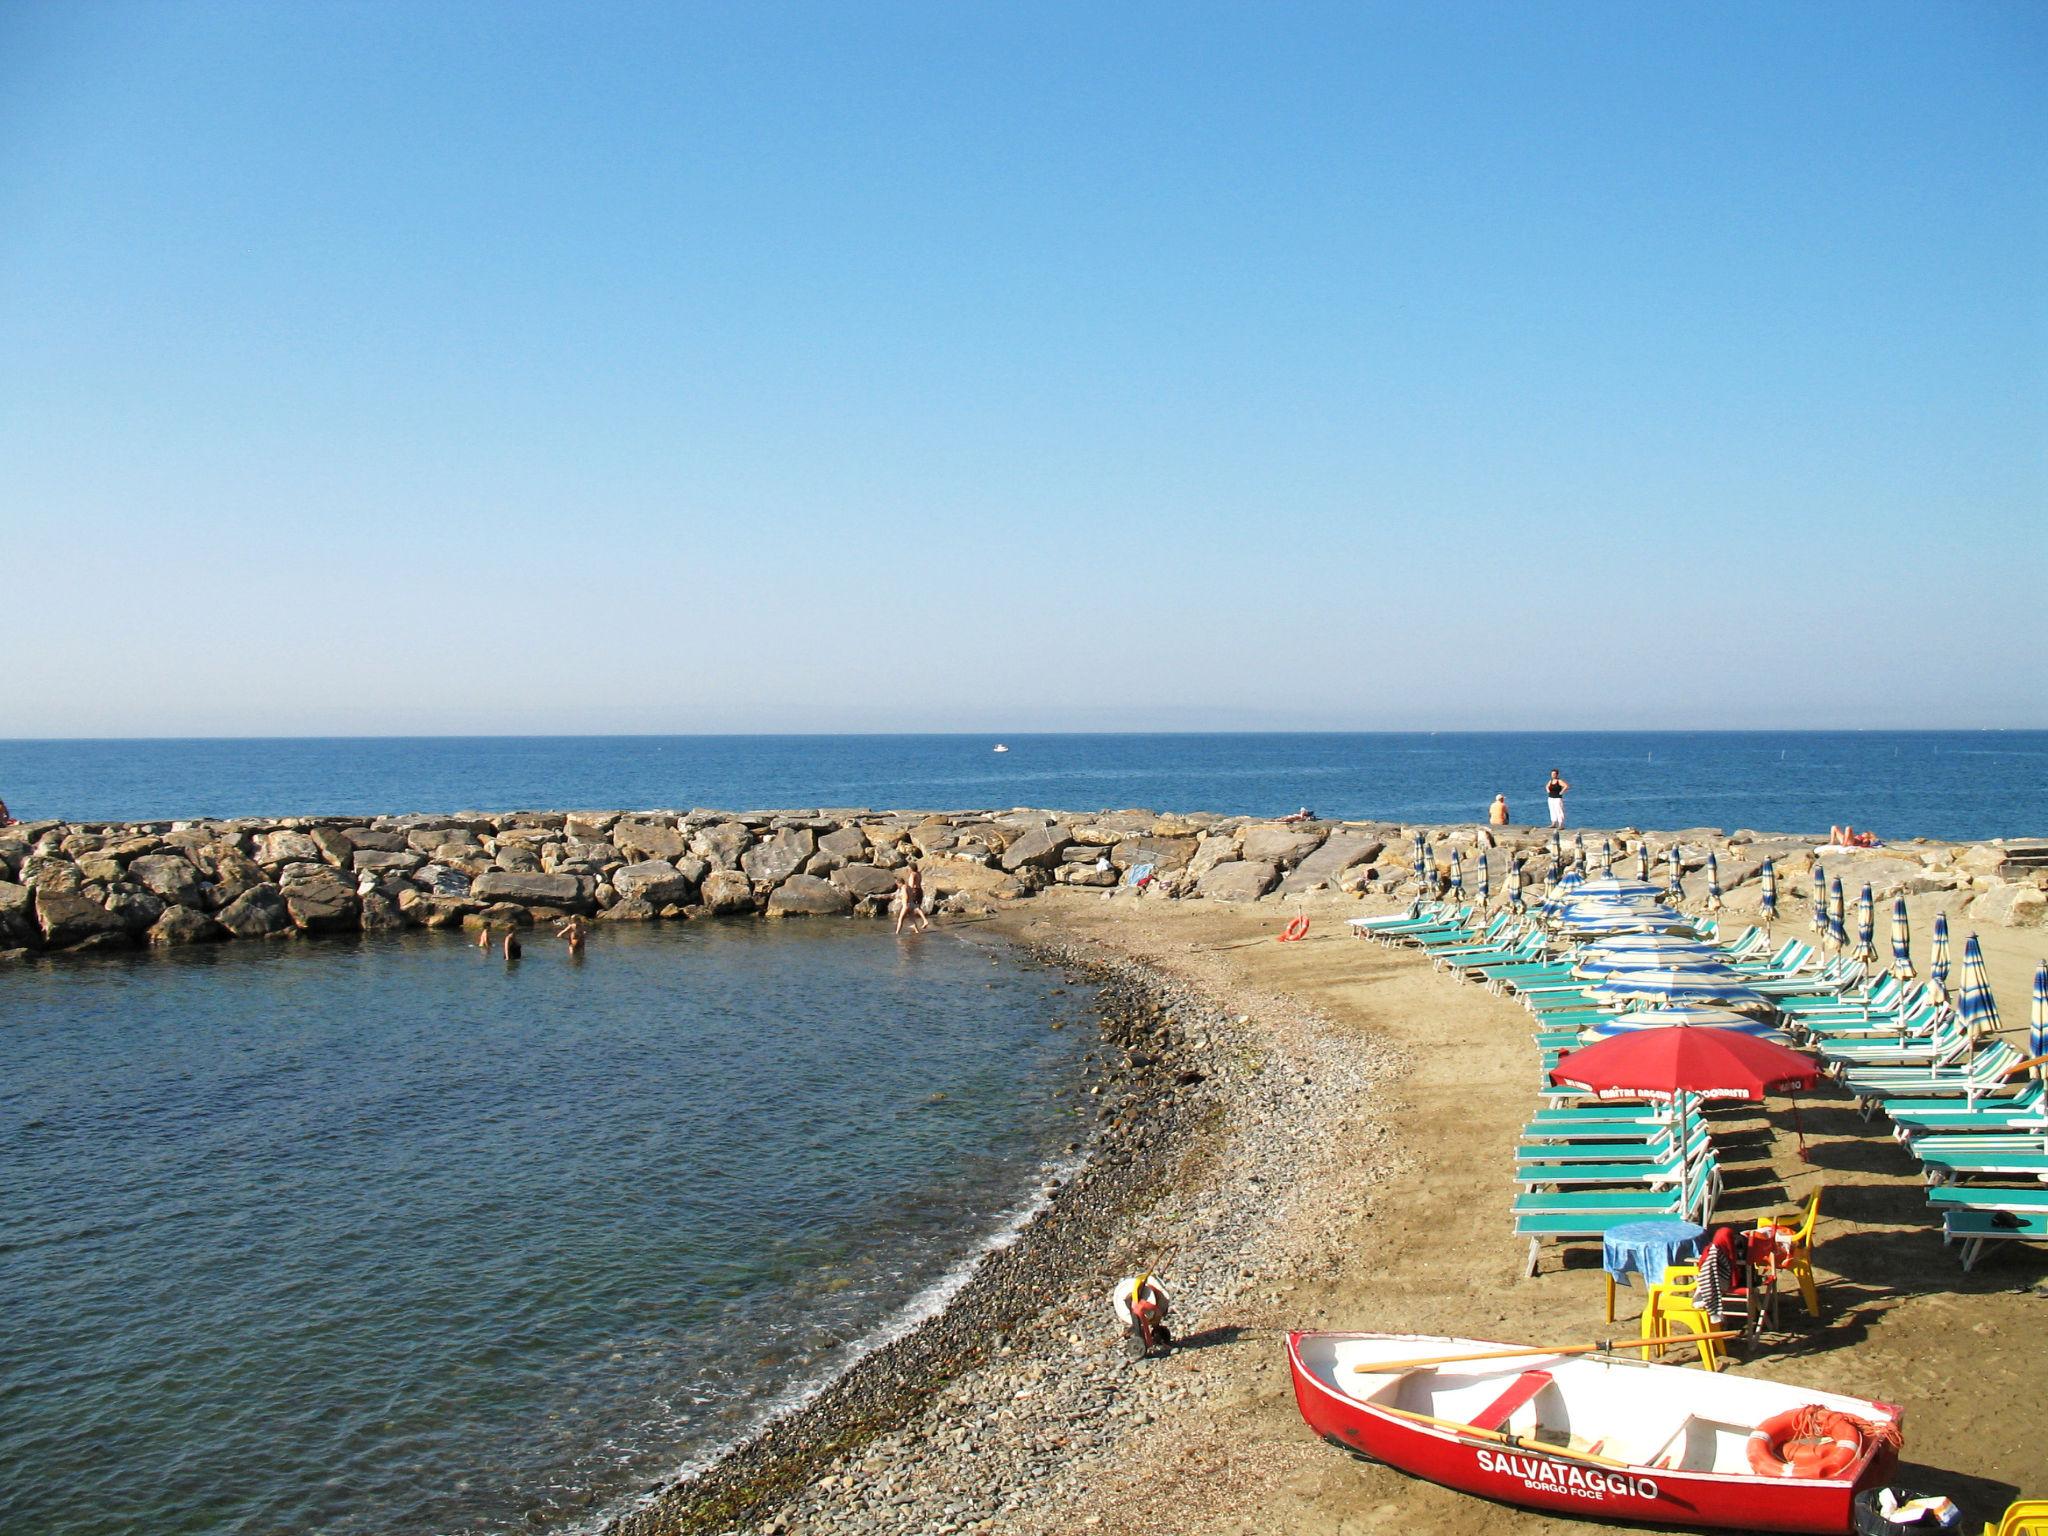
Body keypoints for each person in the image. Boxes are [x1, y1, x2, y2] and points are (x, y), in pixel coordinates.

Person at [1109, 1272, 1173, 1359]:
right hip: (1139, 1304)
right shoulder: (1135, 1301)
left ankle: (1152, 1334)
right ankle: (1144, 1337)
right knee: (1139, 1311)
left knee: (1143, 1311)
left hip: (1141, 1303)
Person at [892, 864, 929, 935]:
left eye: (908, 868)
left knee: (902, 918)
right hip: (919, 890)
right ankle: (917, 930)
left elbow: (910, 887)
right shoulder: (918, 873)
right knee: (912, 916)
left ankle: (897, 933)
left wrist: (905, 903)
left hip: (913, 894)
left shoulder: (912, 875)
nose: (908, 869)